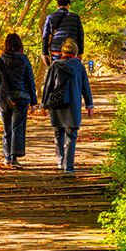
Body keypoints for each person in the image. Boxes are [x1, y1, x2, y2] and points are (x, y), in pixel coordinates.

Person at [41, 38, 93, 174]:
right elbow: (85, 87)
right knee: (71, 135)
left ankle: (60, 161)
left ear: (62, 52)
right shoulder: (79, 67)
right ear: (75, 53)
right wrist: (89, 105)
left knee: (58, 133)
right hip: (73, 105)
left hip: (56, 104)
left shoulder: (54, 65)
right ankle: (68, 167)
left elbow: (48, 86)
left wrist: (44, 105)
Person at [0, 33, 38, 168]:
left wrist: (4, 90)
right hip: (21, 97)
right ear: (20, 45)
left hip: (3, 98)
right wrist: (34, 102)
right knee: (17, 127)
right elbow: (30, 81)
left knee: (7, 128)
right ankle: (14, 158)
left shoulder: (0, 61)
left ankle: (7, 157)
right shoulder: (24, 60)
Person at [41, 0, 84, 66]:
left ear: (57, 6)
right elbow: (81, 35)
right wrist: (80, 52)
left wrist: (44, 53)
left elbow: (45, 36)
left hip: (56, 50)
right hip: (71, 50)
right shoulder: (75, 17)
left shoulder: (50, 17)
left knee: (57, 69)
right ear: (68, 5)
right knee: (71, 69)